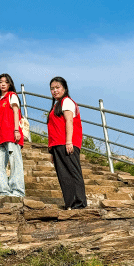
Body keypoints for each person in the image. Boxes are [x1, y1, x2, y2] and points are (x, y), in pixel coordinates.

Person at [47, 76, 87, 209]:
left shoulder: (67, 101)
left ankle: (80, 202)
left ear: (64, 88)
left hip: (67, 143)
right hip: (57, 144)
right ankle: (70, 203)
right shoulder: (56, 106)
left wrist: (69, 142)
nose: (55, 91)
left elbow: (69, 121)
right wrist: (51, 150)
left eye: (57, 87)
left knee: (73, 172)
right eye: (52, 88)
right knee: (63, 176)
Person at [0, 74, 25, 197]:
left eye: (6, 82)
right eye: (1, 82)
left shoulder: (12, 96)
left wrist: (16, 130)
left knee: (15, 163)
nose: (3, 84)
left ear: (10, 84)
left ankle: (18, 191)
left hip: (11, 135)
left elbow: (16, 112)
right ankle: (3, 190)